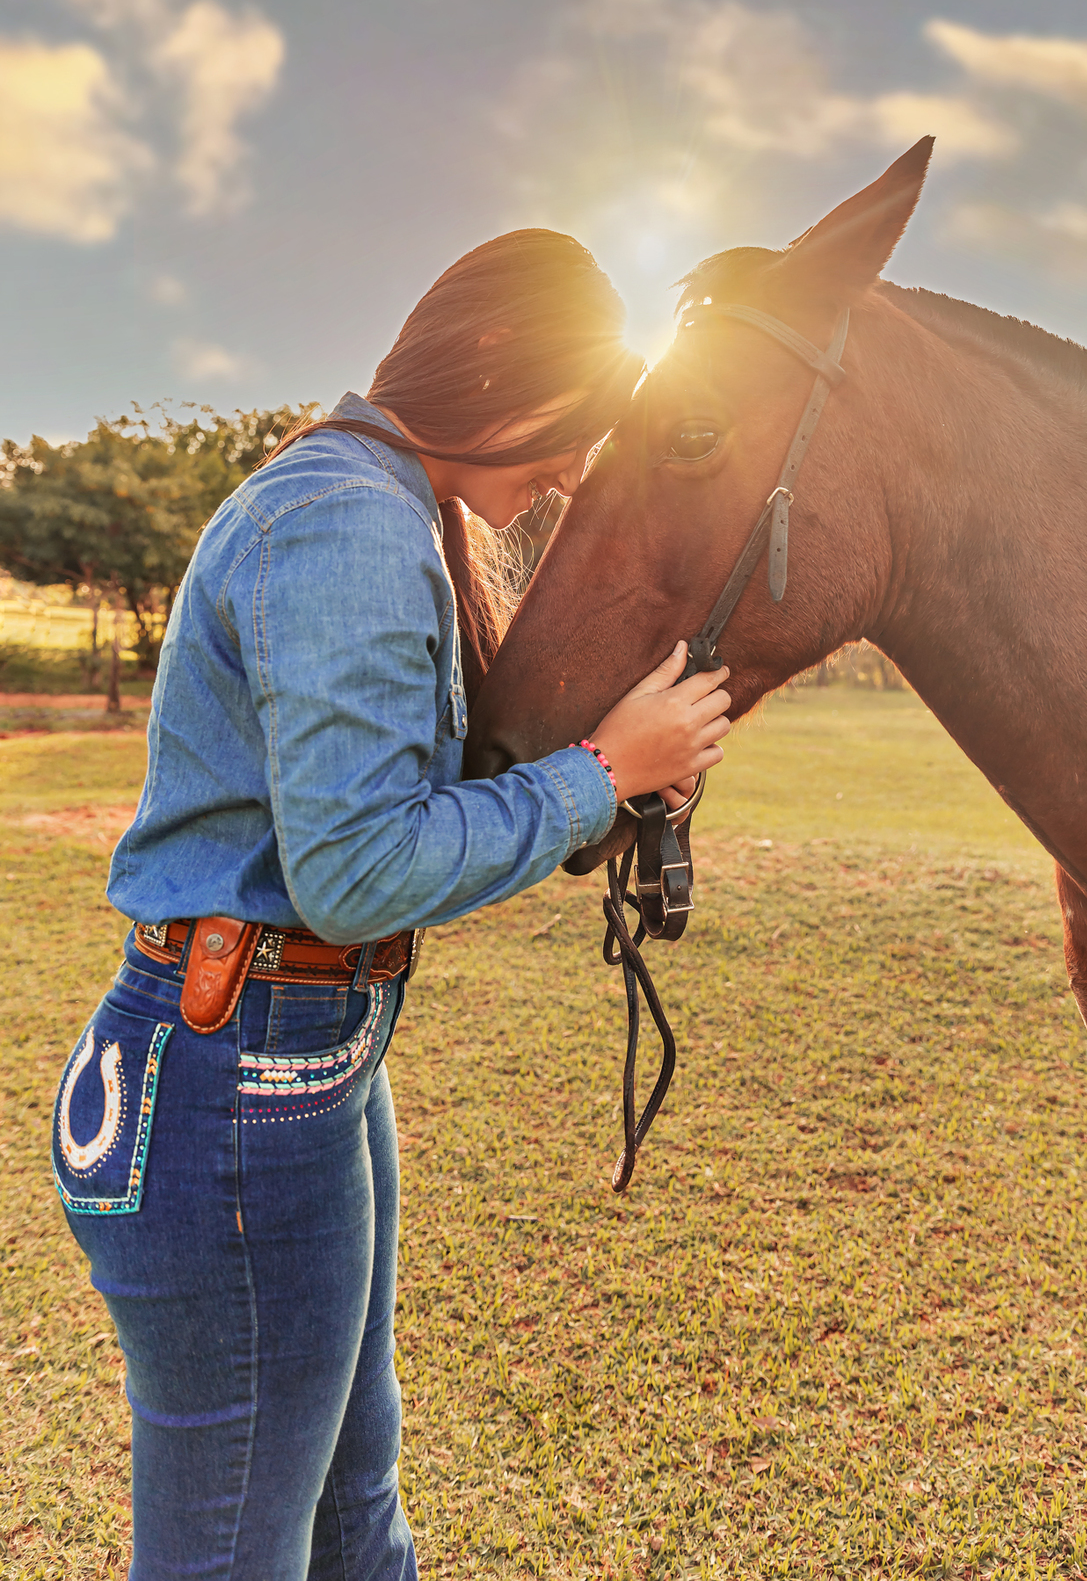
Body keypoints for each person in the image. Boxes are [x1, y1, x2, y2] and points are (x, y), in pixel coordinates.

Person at [51, 230, 731, 1580]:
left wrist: (613, 759)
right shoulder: (349, 521)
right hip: (242, 1081)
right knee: (244, 1551)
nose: (570, 472)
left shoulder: (380, 507)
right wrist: (604, 773)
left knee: (352, 1511)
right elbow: (355, 871)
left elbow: (385, 806)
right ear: (498, 364)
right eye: (575, 425)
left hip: (291, 1059)